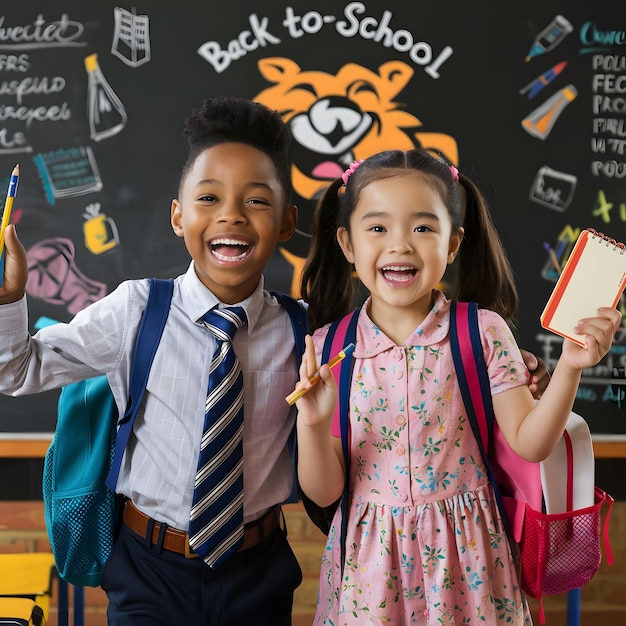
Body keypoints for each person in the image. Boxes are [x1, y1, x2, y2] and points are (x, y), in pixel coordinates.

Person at [0, 96, 303, 626]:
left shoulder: (306, 329)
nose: (230, 213)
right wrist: (8, 301)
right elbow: (17, 369)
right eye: (208, 197)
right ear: (177, 215)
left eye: (256, 201)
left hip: (258, 568)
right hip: (150, 569)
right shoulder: (136, 309)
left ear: (286, 222)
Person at [292, 149, 620, 625]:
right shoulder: (329, 348)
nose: (400, 245)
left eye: (423, 228)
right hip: (368, 570)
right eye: (377, 228)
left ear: (453, 243)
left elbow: (530, 443)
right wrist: (313, 424)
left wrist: (570, 365)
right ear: (347, 243)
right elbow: (323, 493)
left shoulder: (482, 332)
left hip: (469, 562)